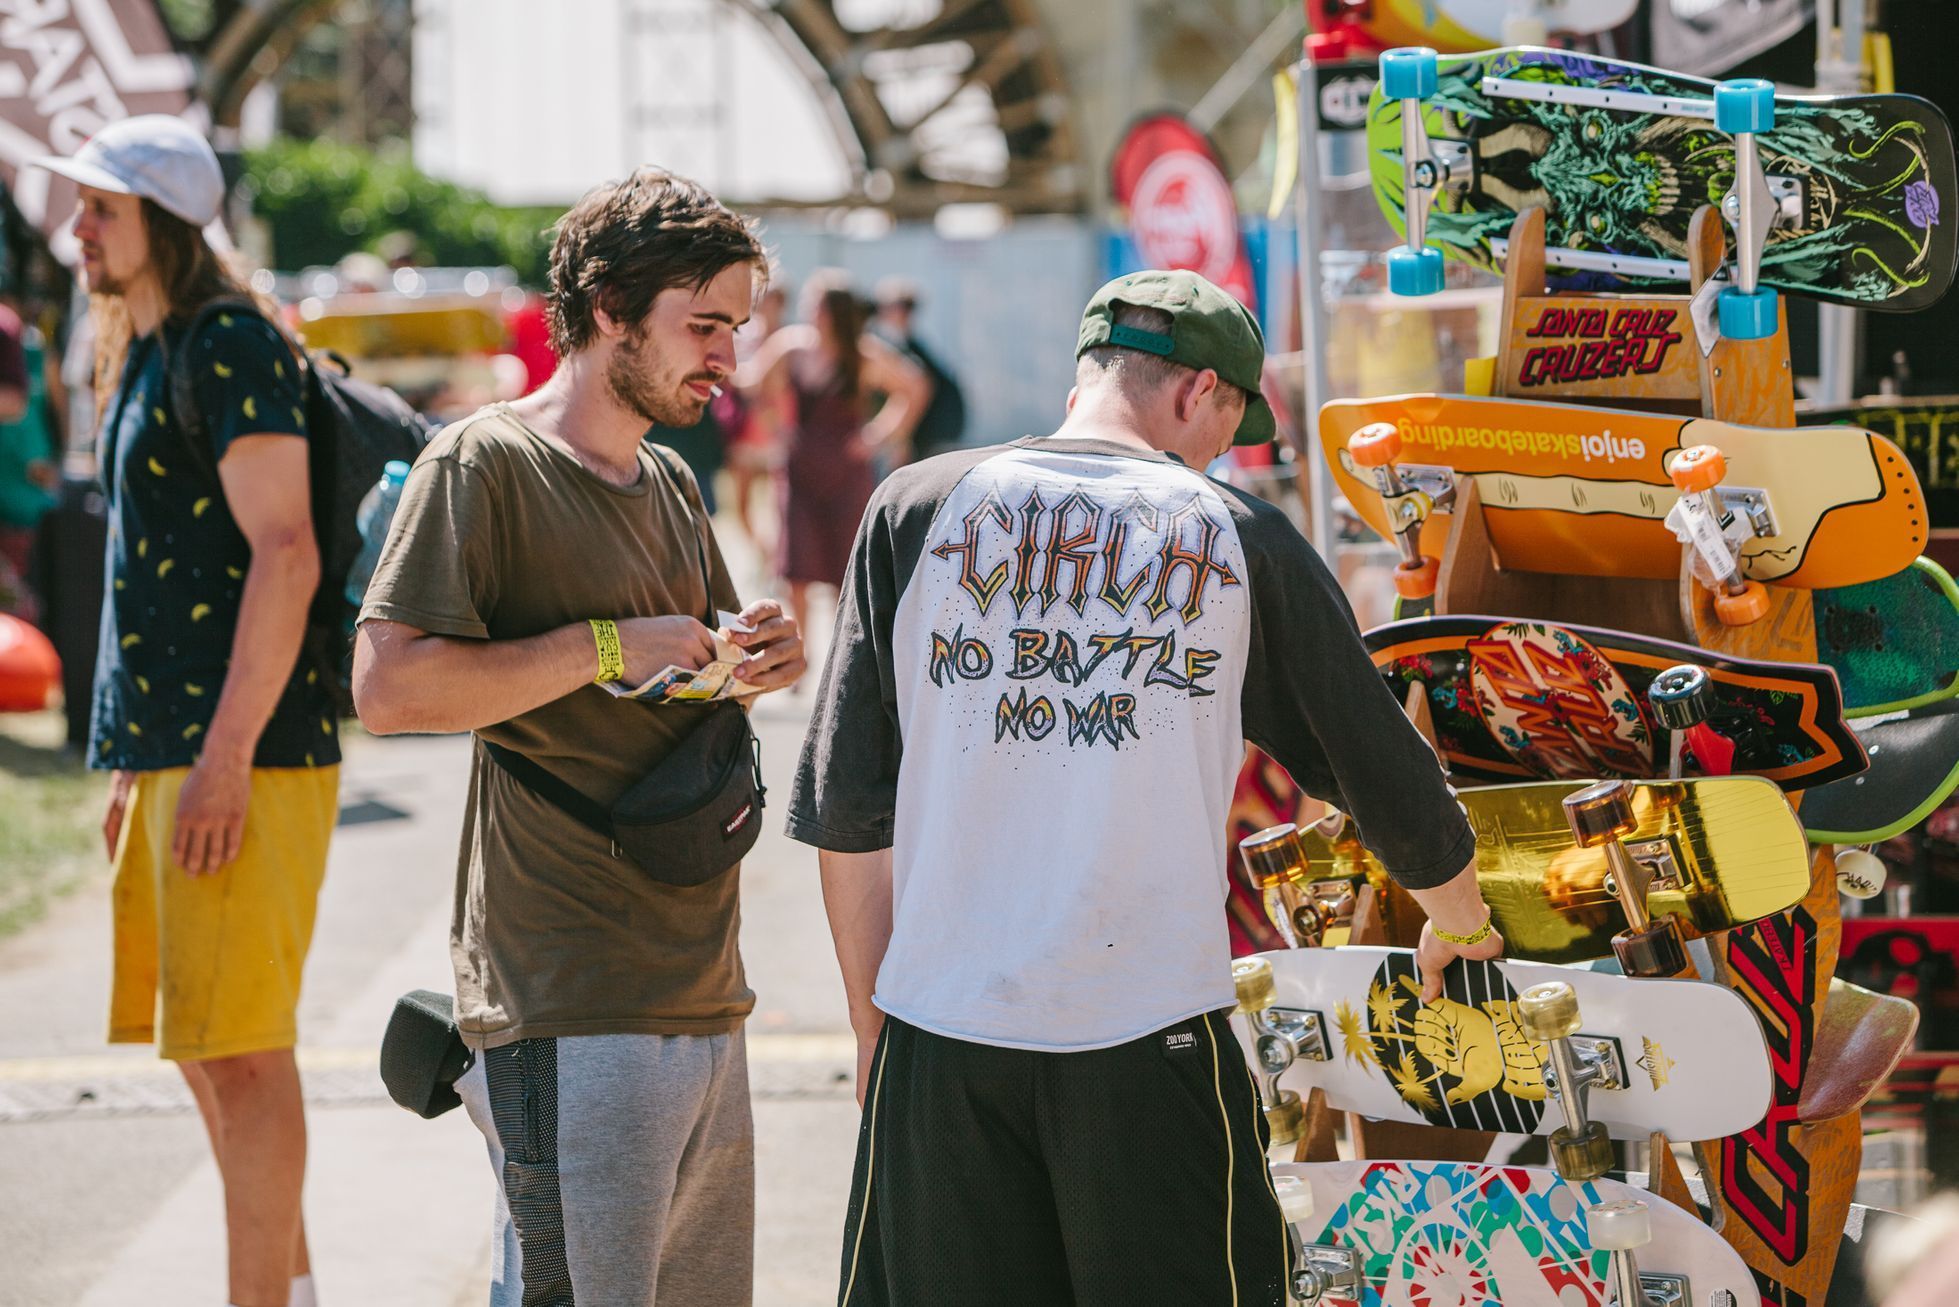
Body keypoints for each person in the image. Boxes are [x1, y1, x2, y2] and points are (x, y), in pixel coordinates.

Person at [789, 270, 1500, 1305]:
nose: (1226, 447)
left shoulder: (918, 509)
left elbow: (848, 814)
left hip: (942, 1037)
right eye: (1229, 421)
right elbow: (1384, 771)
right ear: (1196, 389)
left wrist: (880, 1033)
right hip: (1148, 1036)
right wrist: (1464, 920)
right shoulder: (1234, 533)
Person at [352, 167, 806, 1307]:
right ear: (609, 309)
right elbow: (389, 687)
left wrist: (754, 663)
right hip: (566, 992)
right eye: (703, 325)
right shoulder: (484, 461)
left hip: (705, 984)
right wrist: (605, 644)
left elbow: (685, 671)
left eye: (736, 328)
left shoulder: (666, 480)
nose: (727, 358)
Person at [29, 116, 338, 1307]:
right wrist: (133, 761)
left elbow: (288, 551)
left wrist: (218, 759)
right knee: (210, 1054)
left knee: (246, 1056)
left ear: (161, 216)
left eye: (99, 209)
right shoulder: (148, 346)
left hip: (243, 756)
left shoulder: (227, 347)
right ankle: (293, 1288)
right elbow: (149, 572)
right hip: (172, 753)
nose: (77, 230)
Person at [741, 271, 928, 633]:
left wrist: (878, 436)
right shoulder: (791, 346)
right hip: (800, 467)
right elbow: (758, 387)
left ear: (836, 312)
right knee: (797, 566)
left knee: (844, 564)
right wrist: (777, 430)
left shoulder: (862, 353)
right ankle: (801, 652)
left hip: (846, 471)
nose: (810, 311)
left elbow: (915, 387)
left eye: (818, 305)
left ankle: (840, 648)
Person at [872, 276, 967, 463]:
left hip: (931, 435)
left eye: (884, 307)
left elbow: (918, 391)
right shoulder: (905, 345)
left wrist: (902, 440)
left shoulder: (905, 349)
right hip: (934, 434)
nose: (879, 313)